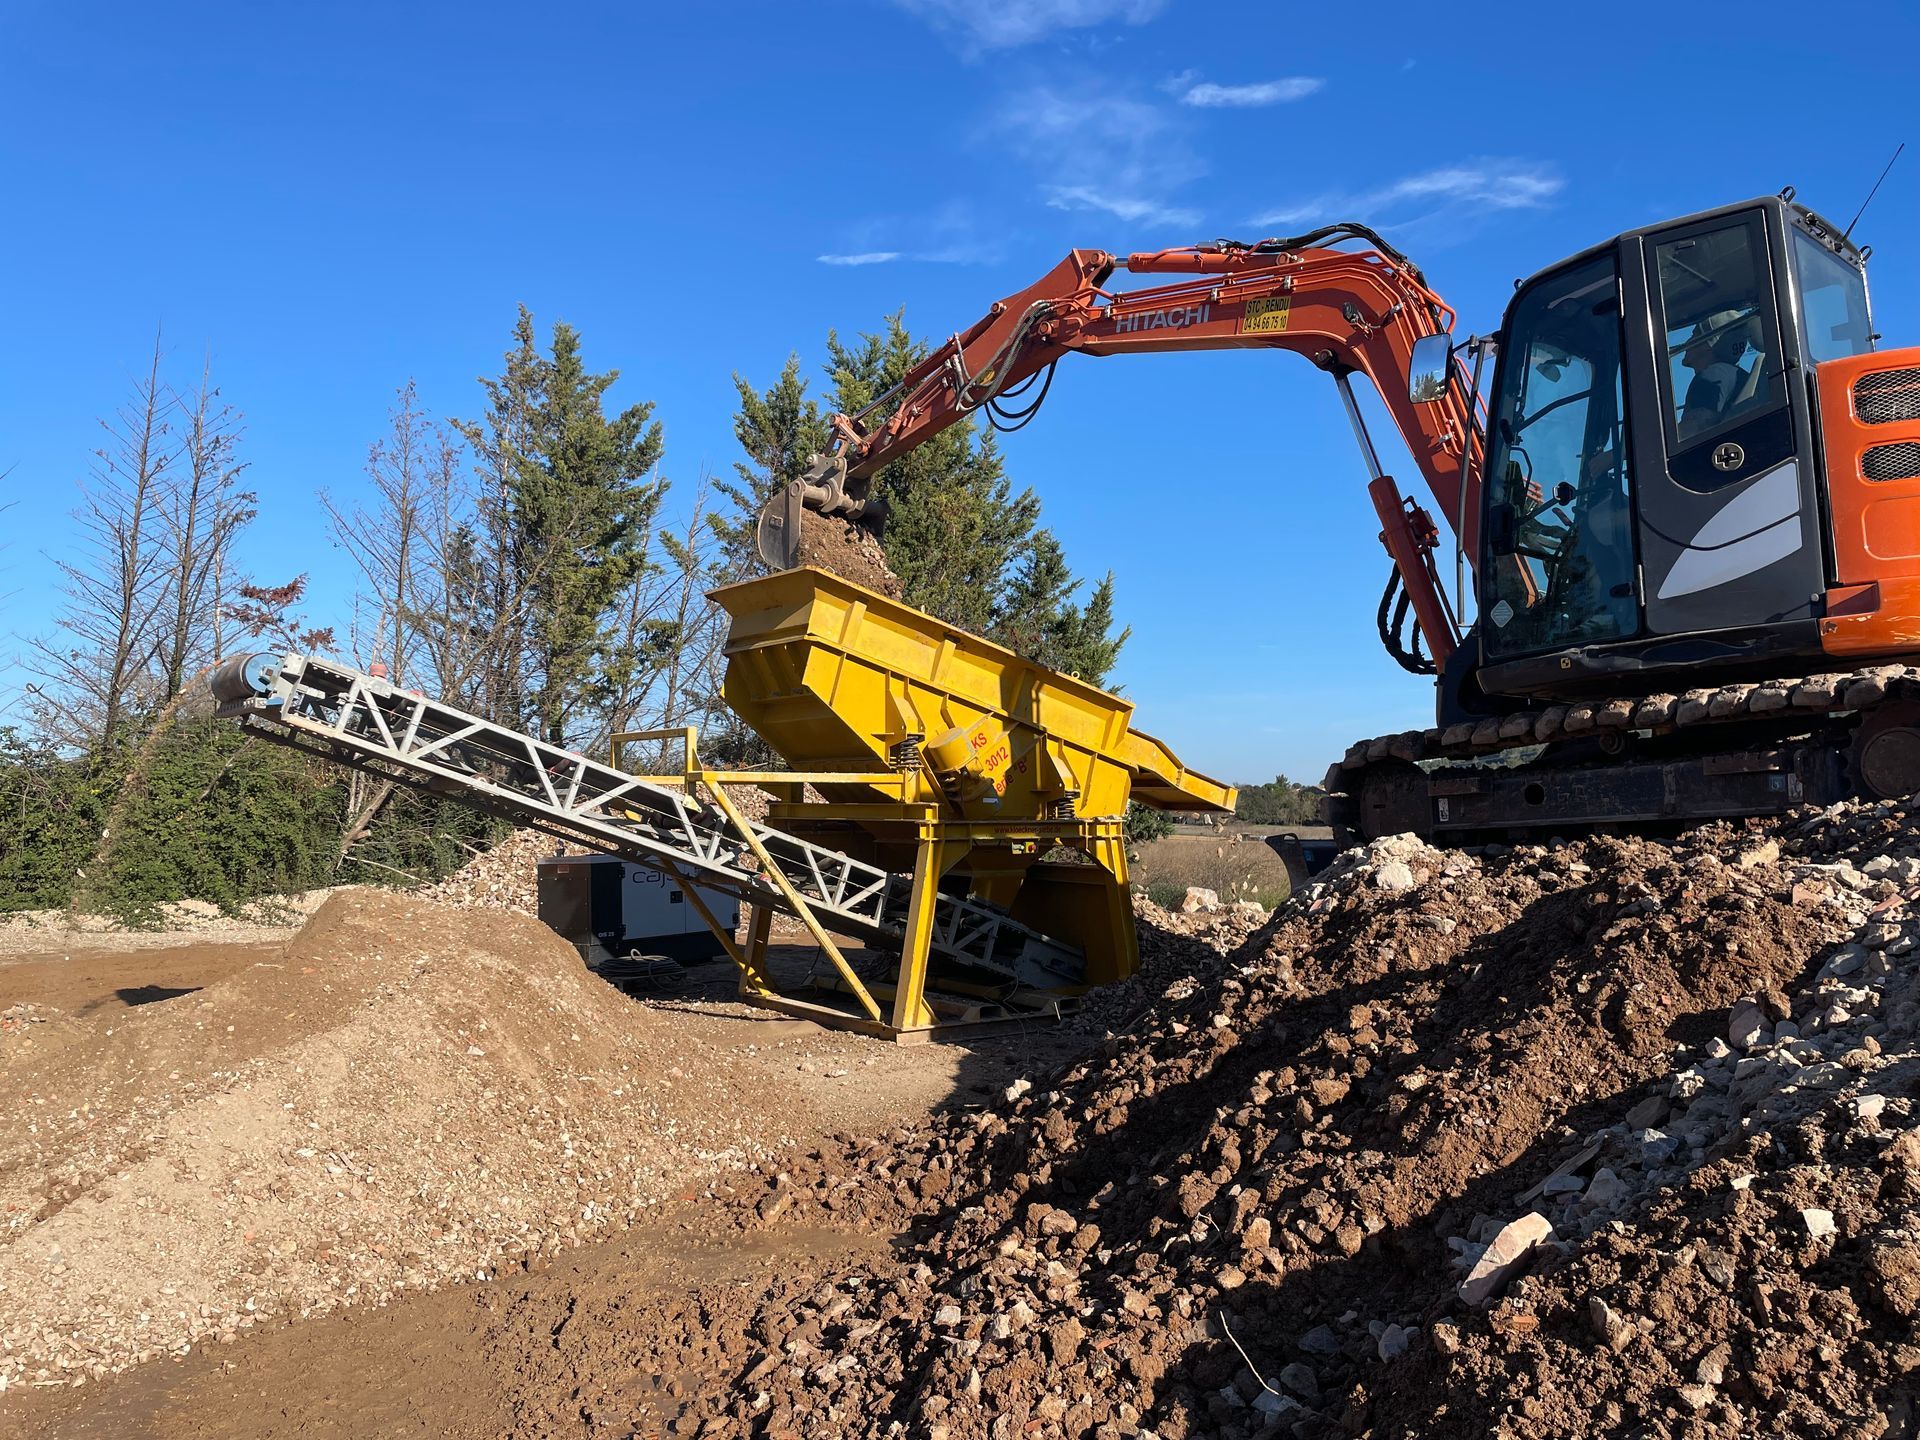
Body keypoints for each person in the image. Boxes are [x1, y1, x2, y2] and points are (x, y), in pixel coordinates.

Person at [1677, 309, 1752, 441]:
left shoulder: (1712, 375)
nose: (1687, 342)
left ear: (1707, 343)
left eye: (1694, 335)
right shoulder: (1735, 375)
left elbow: (1693, 433)